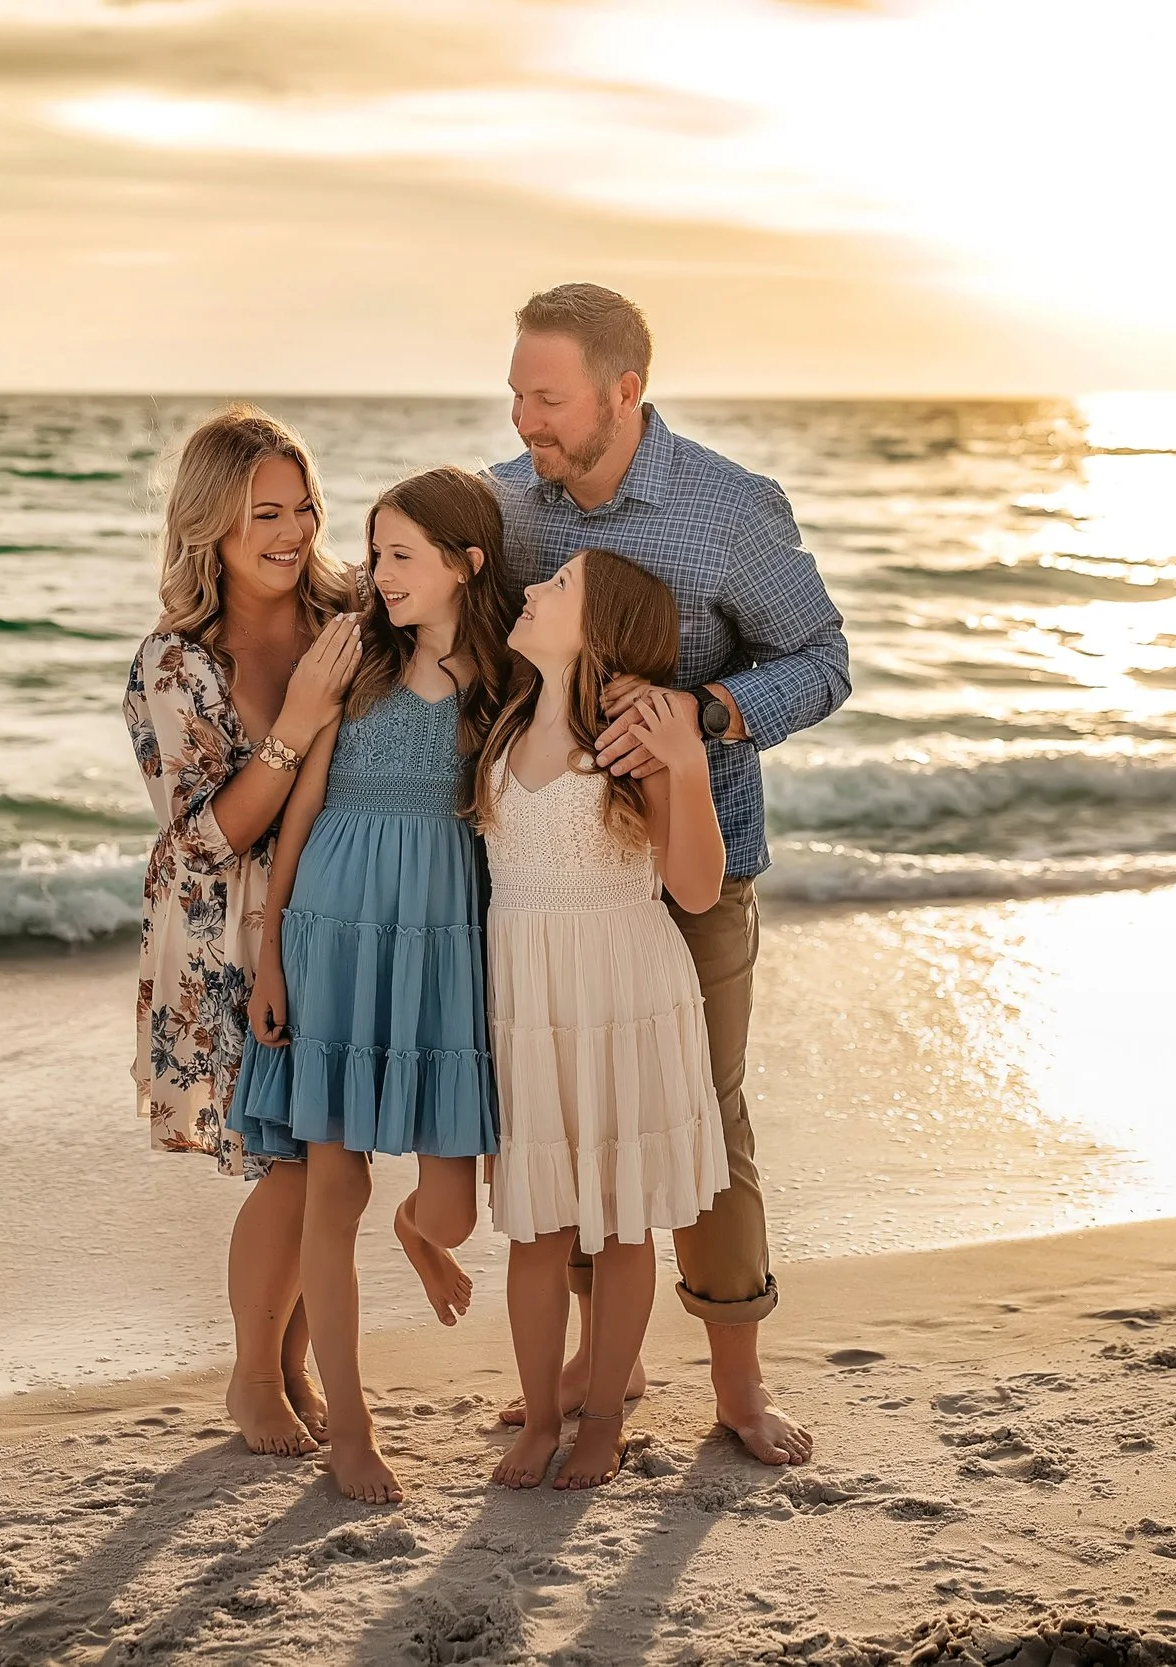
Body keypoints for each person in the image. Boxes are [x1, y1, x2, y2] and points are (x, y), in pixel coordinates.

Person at [487, 283, 850, 1466]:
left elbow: (823, 656)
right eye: (516, 392)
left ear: (621, 391)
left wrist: (707, 711)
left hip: (697, 867)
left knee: (705, 1122)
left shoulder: (729, 512)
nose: (525, 417)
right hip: (553, 880)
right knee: (576, 1108)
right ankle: (608, 1368)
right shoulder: (508, 507)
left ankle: (738, 1388)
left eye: (547, 397)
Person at [226, 466, 518, 1503]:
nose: (375, 573)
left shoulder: (505, 677)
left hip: (439, 940)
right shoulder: (351, 656)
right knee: (331, 1186)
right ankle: (351, 1430)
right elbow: (298, 812)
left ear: (463, 564)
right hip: (333, 926)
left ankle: (408, 1239)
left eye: (399, 555)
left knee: (449, 1204)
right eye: (376, 550)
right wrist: (269, 956)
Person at [123, 403, 361, 1460]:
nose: (293, 530)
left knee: (336, 1148)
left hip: (336, 906)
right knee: (294, 1158)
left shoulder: (346, 613)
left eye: (304, 505)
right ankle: (251, 1374)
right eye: (265, 511)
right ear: (209, 524)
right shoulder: (177, 663)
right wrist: (299, 720)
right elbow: (210, 836)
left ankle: (296, 1361)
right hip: (226, 931)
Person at [481, 548, 733, 1490]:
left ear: (601, 627)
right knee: (537, 1227)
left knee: (625, 1222)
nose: (533, 591)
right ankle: (540, 1414)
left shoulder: (636, 738)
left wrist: (691, 762)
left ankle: (600, 1423)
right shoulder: (502, 726)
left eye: (557, 587)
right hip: (531, 1003)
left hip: (624, 997)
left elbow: (697, 888)